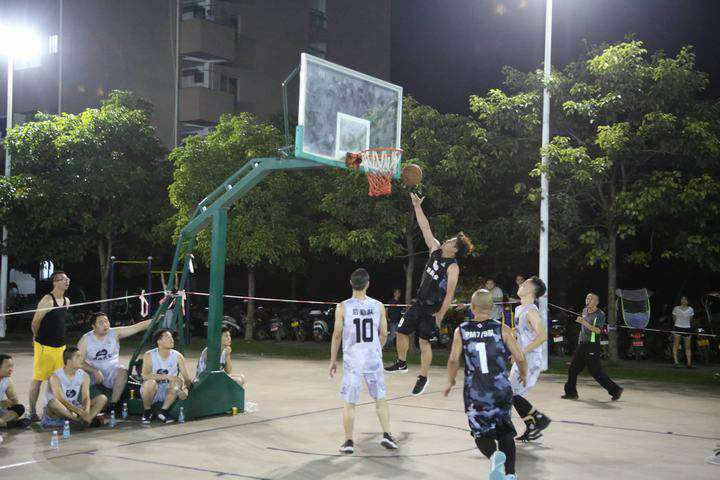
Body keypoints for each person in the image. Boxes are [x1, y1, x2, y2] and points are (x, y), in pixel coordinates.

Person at [385, 193, 474, 396]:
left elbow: (449, 293)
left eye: (451, 241)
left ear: (455, 250)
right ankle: (401, 362)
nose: (447, 241)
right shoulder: (434, 249)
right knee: (401, 332)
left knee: (424, 342)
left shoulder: (452, 267)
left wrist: (440, 315)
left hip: (433, 308)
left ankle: (423, 377)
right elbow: (425, 227)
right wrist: (417, 206)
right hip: (418, 303)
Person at [444, 289, 527, 480]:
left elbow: (453, 359)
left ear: (472, 307)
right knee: (505, 431)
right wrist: (523, 373)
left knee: (481, 434)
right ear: (491, 307)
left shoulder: (462, 330)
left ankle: (493, 455)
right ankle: (511, 474)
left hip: (476, 392)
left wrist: (450, 380)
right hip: (501, 389)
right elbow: (520, 357)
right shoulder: (503, 329)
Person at [329, 268, 398, 454]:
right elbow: (384, 333)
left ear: (351, 284)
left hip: (353, 361)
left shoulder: (342, 307)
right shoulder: (378, 306)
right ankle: (387, 435)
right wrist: (376, 349)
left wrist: (333, 360)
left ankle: (349, 441)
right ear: (368, 284)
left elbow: (337, 334)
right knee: (380, 398)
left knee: (350, 402)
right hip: (372, 359)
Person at [78, 312, 152, 411]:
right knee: (79, 374)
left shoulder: (115, 333)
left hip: (111, 371)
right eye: (101, 323)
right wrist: (94, 370)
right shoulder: (86, 339)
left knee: (122, 371)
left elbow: (137, 327)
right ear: (93, 326)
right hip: (92, 373)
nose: (105, 325)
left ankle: (113, 405)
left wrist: (158, 318)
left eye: (106, 321)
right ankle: (83, 404)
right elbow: (78, 362)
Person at [510, 276, 551, 442]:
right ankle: (533, 424)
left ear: (531, 290)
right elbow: (523, 332)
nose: (521, 284)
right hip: (522, 357)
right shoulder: (520, 309)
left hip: (530, 358)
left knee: (510, 393)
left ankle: (539, 418)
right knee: (511, 393)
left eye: (525, 283)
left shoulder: (531, 311)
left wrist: (521, 351)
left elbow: (543, 336)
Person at [562, 293, 623, 401]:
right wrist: (580, 339)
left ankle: (615, 390)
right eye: (587, 298)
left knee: (595, 372)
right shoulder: (584, 310)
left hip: (592, 345)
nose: (588, 300)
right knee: (573, 369)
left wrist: (584, 322)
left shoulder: (600, 314)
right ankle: (571, 393)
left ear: (596, 302)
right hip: (582, 344)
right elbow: (583, 329)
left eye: (591, 299)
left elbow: (598, 330)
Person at [29, 271, 71, 422]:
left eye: (67, 279)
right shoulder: (47, 300)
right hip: (45, 346)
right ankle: (32, 412)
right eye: (63, 279)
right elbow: (35, 322)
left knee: (57, 380)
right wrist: (36, 336)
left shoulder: (67, 300)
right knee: (38, 379)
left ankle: (52, 410)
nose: (67, 281)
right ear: (55, 282)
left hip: (60, 347)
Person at [42, 347, 108, 430]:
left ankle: (86, 420)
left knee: (102, 398)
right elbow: (61, 400)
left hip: (74, 406)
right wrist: (78, 411)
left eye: (81, 356)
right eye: (78, 357)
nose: (82, 359)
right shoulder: (55, 376)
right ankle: (80, 421)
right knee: (53, 403)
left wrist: (87, 410)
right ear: (69, 361)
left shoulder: (84, 375)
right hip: (59, 408)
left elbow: (86, 397)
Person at [140, 328, 193, 424]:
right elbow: (145, 376)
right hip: (153, 391)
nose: (172, 339)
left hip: (170, 391)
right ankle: (147, 412)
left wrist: (184, 391)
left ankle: (163, 411)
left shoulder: (178, 356)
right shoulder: (149, 355)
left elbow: (186, 379)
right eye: (168, 337)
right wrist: (168, 377)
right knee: (149, 383)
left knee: (178, 381)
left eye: (171, 337)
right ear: (159, 342)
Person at [0, 354, 31, 429]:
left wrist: (12, 401)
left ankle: (3, 422)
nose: (11, 369)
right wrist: (1, 403)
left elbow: (14, 401)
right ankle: (9, 424)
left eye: (12, 366)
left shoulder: (7, 380)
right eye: (8, 366)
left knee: (19, 408)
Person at [672, 296, 695, 368]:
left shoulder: (691, 309)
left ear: (688, 301)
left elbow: (690, 320)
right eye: (682, 299)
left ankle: (689, 363)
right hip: (677, 328)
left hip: (687, 328)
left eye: (685, 299)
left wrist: (684, 324)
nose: (684, 300)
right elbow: (674, 319)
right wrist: (679, 324)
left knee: (687, 346)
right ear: (680, 300)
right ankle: (676, 362)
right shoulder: (676, 308)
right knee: (676, 345)